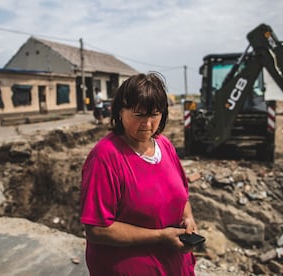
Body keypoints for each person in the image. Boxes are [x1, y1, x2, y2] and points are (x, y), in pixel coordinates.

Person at [80, 72, 198, 275]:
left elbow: (182, 194)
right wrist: (160, 236)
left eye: (154, 115)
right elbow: (97, 229)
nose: (147, 124)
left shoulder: (164, 145)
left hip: (173, 265)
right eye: (139, 115)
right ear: (120, 112)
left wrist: (188, 218)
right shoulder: (105, 158)